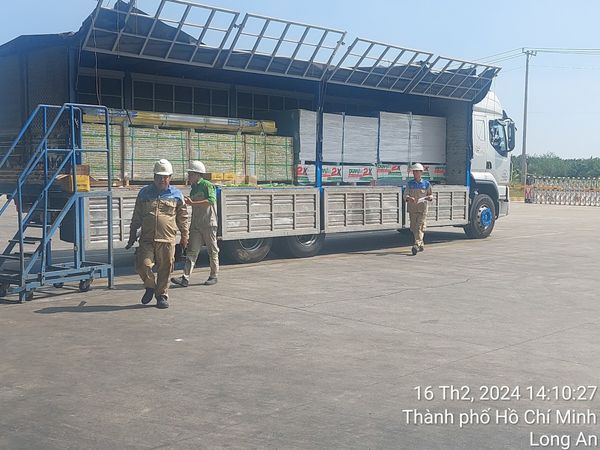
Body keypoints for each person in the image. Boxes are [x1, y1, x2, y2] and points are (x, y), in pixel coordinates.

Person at [126, 159, 189, 309]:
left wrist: (185, 236)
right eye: (159, 177)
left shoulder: (176, 195)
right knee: (143, 264)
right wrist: (132, 235)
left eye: (165, 177)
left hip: (167, 239)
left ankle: (161, 296)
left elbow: (183, 217)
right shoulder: (144, 193)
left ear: (170, 178)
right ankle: (150, 286)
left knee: (166, 268)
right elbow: (136, 216)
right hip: (147, 239)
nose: (162, 180)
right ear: (154, 177)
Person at [171, 160, 219, 287]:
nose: (189, 176)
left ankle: (214, 275)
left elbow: (211, 200)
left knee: (212, 250)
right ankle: (185, 278)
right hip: (196, 224)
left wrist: (193, 203)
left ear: (198, 174)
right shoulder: (193, 189)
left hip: (209, 223)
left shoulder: (207, 185)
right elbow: (193, 203)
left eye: (191, 174)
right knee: (192, 252)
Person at [404, 163, 433, 256]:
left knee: (419, 226)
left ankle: (416, 245)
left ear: (421, 172)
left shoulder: (426, 184)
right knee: (413, 228)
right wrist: (409, 198)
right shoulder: (410, 184)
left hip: (422, 209)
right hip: (412, 209)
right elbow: (405, 195)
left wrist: (429, 197)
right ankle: (421, 244)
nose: (415, 173)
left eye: (417, 171)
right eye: (414, 171)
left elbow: (431, 195)